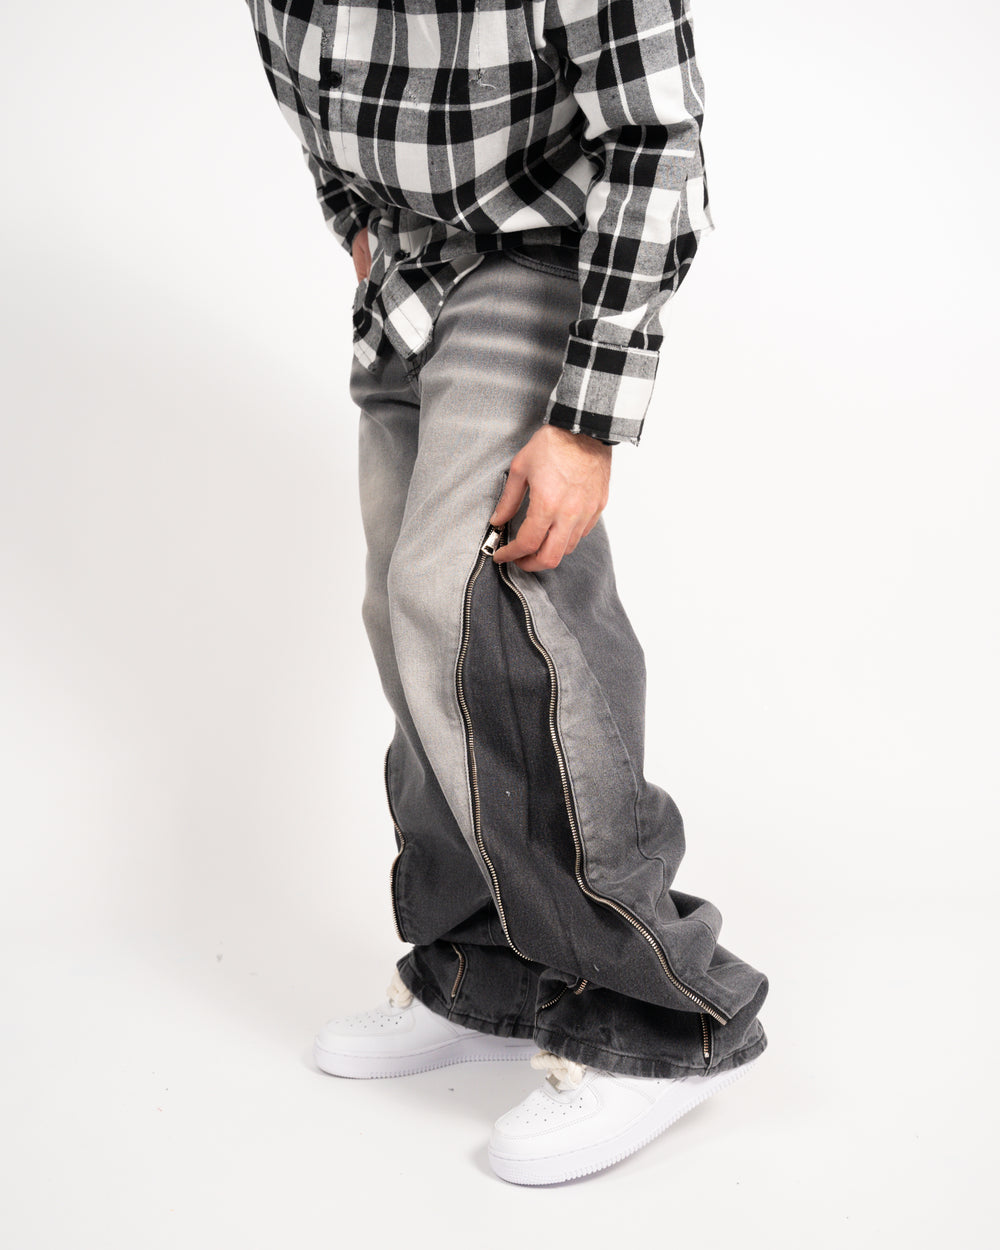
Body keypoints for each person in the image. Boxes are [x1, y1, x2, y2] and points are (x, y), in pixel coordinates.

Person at [242, 0, 769, 1185]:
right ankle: (485, 966)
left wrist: (586, 418)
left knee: (480, 603)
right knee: (404, 614)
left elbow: (656, 135)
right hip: (407, 279)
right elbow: (305, 82)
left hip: (539, 252)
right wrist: (358, 230)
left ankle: (656, 1015)